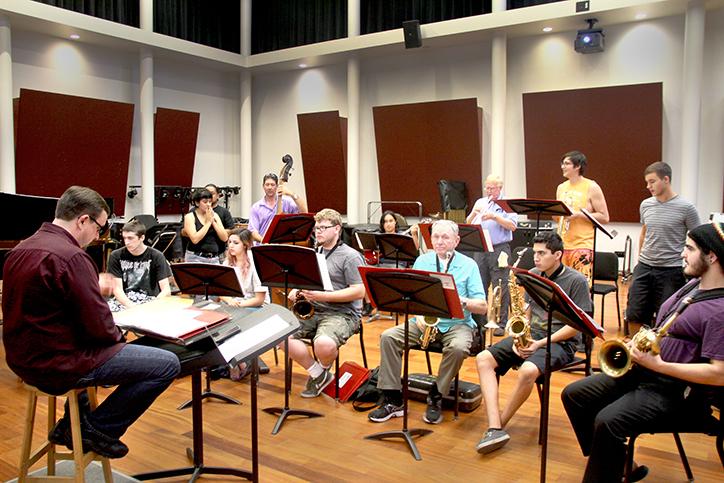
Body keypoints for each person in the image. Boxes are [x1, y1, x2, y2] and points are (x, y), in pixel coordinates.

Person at [2, 186, 180, 459]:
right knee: (166, 364)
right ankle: (95, 430)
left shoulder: (21, 249)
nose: (99, 236)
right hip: (61, 364)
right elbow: (98, 326)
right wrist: (120, 339)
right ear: (83, 220)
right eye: (100, 228)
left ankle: (69, 424)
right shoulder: (72, 256)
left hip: (23, 361)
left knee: (133, 352)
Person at [562, 222, 724, 483]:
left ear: (712, 255)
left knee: (607, 421)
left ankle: (607, 470)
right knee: (575, 395)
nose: (682, 253)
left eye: (689, 248)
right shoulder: (693, 285)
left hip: (676, 393)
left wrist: (658, 365)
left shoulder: (720, 311)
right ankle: (621, 463)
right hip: (646, 371)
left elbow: (719, 374)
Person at [475, 231, 591, 454]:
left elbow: (578, 325)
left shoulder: (576, 280)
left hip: (561, 343)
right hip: (531, 336)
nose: (536, 257)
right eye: (535, 252)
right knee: (483, 358)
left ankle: (499, 424)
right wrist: (521, 337)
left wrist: (539, 344)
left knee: (528, 370)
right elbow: (527, 311)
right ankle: (494, 425)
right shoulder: (534, 274)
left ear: (558, 255)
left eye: (542, 253)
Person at [368, 219, 487, 425]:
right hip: (424, 321)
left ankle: (437, 393)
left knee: (458, 348)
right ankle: (393, 398)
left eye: (445, 237)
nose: (439, 242)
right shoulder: (423, 261)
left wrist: (463, 301)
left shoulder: (469, 265)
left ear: (456, 241)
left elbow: (483, 305)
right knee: (388, 337)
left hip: (457, 323)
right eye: (435, 237)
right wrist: (420, 317)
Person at [284, 208, 366, 397]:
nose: (318, 231)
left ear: (337, 229)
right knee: (280, 334)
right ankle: (319, 374)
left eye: (323, 227)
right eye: (316, 227)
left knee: (324, 344)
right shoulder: (313, 252)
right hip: (314, 308)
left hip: (343, 313)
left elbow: (359, 291)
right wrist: (297, 289)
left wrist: (323, 296)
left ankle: (320, 369)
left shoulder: (350, 256)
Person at [625, 161, 701, 334]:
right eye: (647, 182)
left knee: (665, 317)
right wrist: (639, 260)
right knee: (635, 313)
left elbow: (697, 238)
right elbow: (644, 232)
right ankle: (636, 354)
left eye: (652, 181)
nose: (648, 186)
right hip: (644, 267)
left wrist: (688, 259)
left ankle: (657, 356)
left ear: (666, 179)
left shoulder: (686, 208)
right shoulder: (646, 205)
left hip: (671, 270)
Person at [466, 174, 518, 336]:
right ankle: (479, 321)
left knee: (500, 285)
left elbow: (512, 226)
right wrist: (474, 213)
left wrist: (495, 216)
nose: (488, 191)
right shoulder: (481, 202)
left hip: (499, 248)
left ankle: (500, 323)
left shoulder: (506, 204)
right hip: (480, 248)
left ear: (500, 188)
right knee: (478, 284)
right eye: (487, 188)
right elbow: (468, 223)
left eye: (492, 188)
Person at [220, 228, 269, 380]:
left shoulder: (256, 264)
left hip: (255, 307)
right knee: (212, 323)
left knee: (230, 324)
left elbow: (259, 299)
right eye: (229, 243)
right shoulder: (227, 261)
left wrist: (239, 305)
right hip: (233, 304)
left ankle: (239, 362)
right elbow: (220, 290)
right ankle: (239, 362)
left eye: (236, 243)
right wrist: (229, 300)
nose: (231, 246)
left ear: (246, 245)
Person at [556, 150, 610, 285]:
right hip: (563, 243)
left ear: (577, 166)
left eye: (566, 163)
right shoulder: (561, 188)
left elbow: (604, 217)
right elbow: (557, 217)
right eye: (562, 163)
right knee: (561, 286)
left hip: (582, 244)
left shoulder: (591, 186)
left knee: (580, 286)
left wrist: (580, 214)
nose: (562, 166)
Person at [106, 219, 172, 311]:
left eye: (130, 238)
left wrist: (153, 305)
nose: (126, 242)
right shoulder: (116, 255)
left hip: (150, 300)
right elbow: (117, 289)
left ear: (142, 238)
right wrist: (132, 306)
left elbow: (166, 289)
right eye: (124, 238)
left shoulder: (157, 256)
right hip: (125, 301)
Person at [248, 173, 308, 243]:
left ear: (277, 186)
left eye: (272, 185)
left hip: (283, 246)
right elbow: (253, 232)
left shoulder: (287, 202)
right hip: (263, 246)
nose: (270, 187)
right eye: (267, 185)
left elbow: (304, 212)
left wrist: (291, 194)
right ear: (263, 186)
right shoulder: (256, 207)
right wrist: (266, 242)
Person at [183, 188, 229, 263]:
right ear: (197, 203)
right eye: (205, 202)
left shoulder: (215, 215)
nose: (208, 204)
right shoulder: (190, 217)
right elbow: (195, 239)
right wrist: (208, 223)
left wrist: (213, 222)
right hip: (195, 257)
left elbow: (224, 238)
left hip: (214, 258)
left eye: (210, 202)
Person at [205, 183, 236, 259]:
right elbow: (184, 231)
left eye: (212, 193)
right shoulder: (195, 211)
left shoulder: (224, 212)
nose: (209, 196)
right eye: (206, 193)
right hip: (198, 254)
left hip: (219, 253)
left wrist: (218, 231)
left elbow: (232, 229)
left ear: (218, 195)